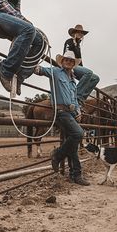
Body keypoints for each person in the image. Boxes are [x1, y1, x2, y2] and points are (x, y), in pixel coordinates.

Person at [34, 51, 90, 186]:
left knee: (73, 143)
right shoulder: (55, 72)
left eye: (71, 61)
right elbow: (39, 70)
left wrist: (78, 111)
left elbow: (74, 99)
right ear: (62, 61)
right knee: (78, 134)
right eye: (66, 60)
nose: (69, 62)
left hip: (71, 113)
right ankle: (58, 155)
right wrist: (32, 58)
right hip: (60, 112)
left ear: (73, 64)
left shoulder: (73, 82)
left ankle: (75, 174)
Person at [63, 24, 100, 106]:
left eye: (81, 33)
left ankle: (82, 98)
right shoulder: (69, 41)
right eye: (78, 32)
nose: (80, 34)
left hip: (77, 67)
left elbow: (79, 61)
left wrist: (82, 71)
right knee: (89, 72)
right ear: (74, 33)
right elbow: (66, 54)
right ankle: (77, 96)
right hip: (69, 65)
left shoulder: (78, 45)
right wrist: (70, 68)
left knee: (95, 78)